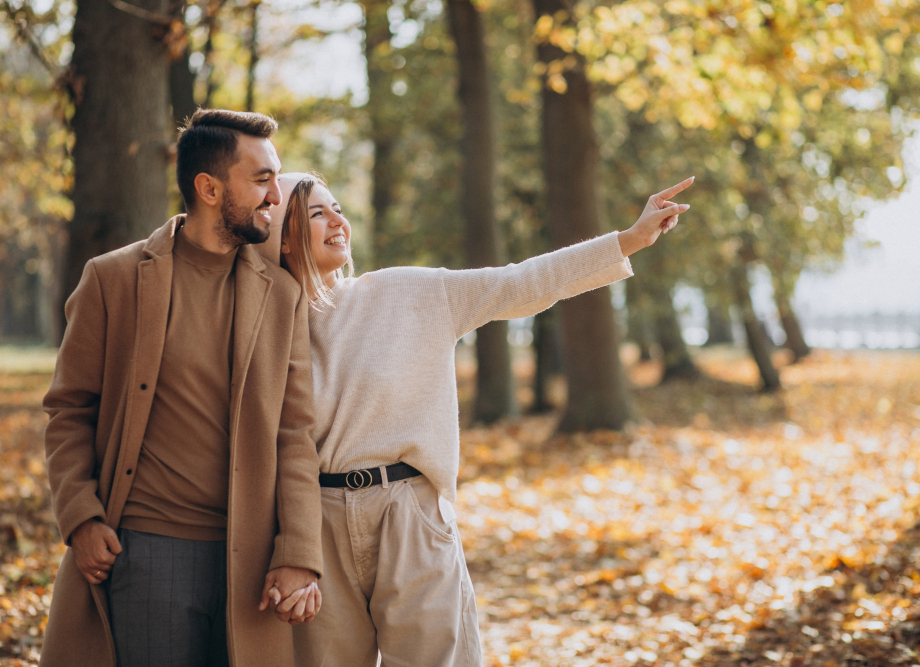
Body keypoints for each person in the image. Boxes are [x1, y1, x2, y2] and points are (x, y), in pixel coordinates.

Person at [259, 171, 693, 666]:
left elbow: (522, 282)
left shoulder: (409, 292)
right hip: (315, 523)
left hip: (410, 513)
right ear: (282, 236)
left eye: (338, 207)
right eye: (317, 213)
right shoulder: (263, 326)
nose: (338, 220)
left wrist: (629, 240)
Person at [40, 110, 324, 667]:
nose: (276, 196)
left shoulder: (282, 296)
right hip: (147, 550)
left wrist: (298, 552)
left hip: (252, 560)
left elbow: (295, 434)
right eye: (262, 179)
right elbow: (69, 409)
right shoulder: (113, 278)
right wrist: (80, 514)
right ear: (210, 188)